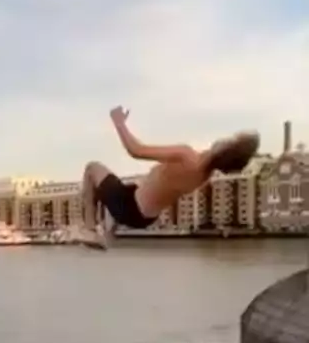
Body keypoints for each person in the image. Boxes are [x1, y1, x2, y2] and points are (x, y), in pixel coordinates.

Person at [75, 106, 259, 249]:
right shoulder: (204, 176)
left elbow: (136, 150)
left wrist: (119, 123)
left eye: (229, 140)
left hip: (130, 206)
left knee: (92, 168)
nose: (224, 138)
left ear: (223, 150)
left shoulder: (186, 155)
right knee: (119, 186)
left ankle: (90, 230)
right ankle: (108, 229)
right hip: (145, 216)